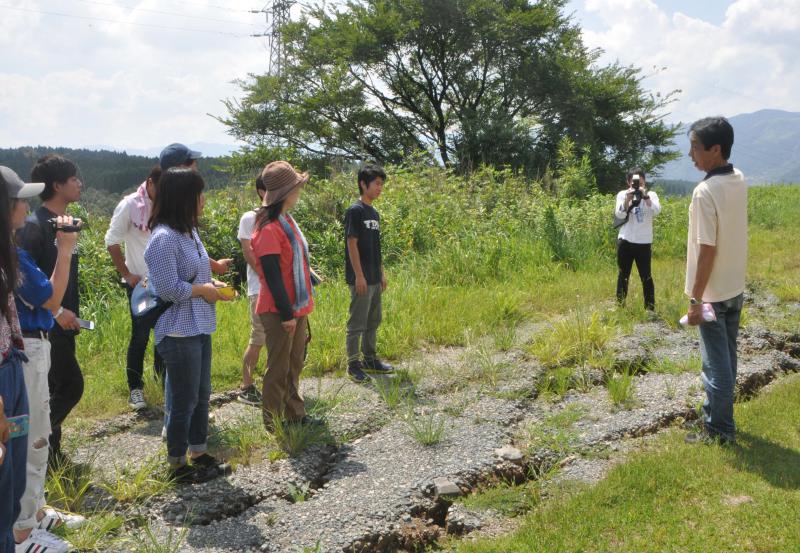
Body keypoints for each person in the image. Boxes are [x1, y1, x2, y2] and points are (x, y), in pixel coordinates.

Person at [3, 166, 81, 552]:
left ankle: (32, 512)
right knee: (32, 437)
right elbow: (51, 297)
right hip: (26, 349)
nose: (26, 205)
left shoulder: (13, 250)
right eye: (19, 199)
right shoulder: (12, 256)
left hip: (29, 346)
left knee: (37, 432)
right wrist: (65, 250)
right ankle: (23, 530)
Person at [144, 167, 232, 483]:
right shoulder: (163, 239)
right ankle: (177, 463)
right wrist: (203, 290)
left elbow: (195, 275)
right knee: (183, 400)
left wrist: (214, 284)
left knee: (201, 394)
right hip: (177, 330)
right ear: (184, 199)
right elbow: (168, 289)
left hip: (199, 324)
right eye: (199, 194)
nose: (204, 200)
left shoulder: (189, 232)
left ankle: (198, 451)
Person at [683, 116, 747, 445]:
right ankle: (716, 415)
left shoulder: (704, 191)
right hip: (735, 285)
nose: (690, 154)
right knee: (728, 360)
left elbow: (707, 250)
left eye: (695, 147)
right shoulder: (738, 178)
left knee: (715, 366)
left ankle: (720, 432)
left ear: (716, 150)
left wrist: (696, 299)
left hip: (713, 293)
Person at [16, 155, 83, 467]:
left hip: (64, 320)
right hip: (45, 323)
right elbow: (25, 283)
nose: (79, 184)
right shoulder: (33, 228)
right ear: (57, 185)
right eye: (73, 179)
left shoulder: (65, 222)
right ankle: (33, 444)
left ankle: (52, 455)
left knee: (53, 388)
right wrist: (57, 313)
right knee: (70, 386)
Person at [251, 161, 316, 431]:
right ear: (284, 193)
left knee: (295, 362)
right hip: (279, 308)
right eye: (296, 188)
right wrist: (287, 314)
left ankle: (295, 413)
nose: (299, 192)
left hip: (296, 306)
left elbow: (291, 264)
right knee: (278, 367)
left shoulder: (286, 221)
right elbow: (271, 275)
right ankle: (273, 421)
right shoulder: (268, 229)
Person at [105, 166, 165, 411]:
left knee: (164, 334)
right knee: (140, 336)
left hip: (165, 281)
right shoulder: (130, 205)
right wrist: (126, 274)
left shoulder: (167, 203)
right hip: (140, 284)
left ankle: (162, 384)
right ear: (150, 183)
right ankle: (135, 389)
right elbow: (111, 240)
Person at [0, 170, 30, 553]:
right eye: (20, 200)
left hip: (10, 362)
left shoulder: (5, 250)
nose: (26, 206)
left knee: (12, 481)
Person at [344, 164, 393, 383]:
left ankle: (370, 359)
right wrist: (359, 275)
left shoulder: (374, 213)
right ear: (363, 184)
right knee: (357, 323)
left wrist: (381, 273)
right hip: (361, 278)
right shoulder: (355, 211)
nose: (380, 188)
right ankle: (353, 365)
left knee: (374, 319)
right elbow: (351, 244)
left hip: (374, 276)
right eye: (376, 183)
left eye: (381, 184)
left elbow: (376, 246)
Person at [236, 175, 268, 405]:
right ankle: (246, 387)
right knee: (258, 338)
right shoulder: (250, 217)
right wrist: (268, 277)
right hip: (260, 289)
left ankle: (273, 385)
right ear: (260, 191)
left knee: (278, 341)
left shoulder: (282, 216)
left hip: (279, 289)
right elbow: (249, 253)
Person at [614, 168, 661, 311]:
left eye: (640, 183)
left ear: (644, 182)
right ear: (628, 182)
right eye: (634, 183)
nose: (637, 186)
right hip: (626, 240)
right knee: (623, 274)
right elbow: (620, 215)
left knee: (646, 276)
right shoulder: (623, 194)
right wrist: (628, 199)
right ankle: (620, 306)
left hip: (643, 242)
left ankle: (649, 308)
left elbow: (657, 211)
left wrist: (645, 197)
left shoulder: (651, 195)